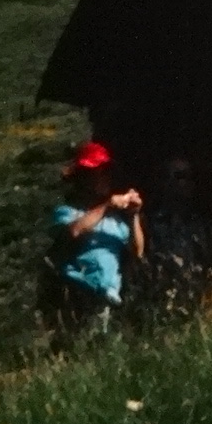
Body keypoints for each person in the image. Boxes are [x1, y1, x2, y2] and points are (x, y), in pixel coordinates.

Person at [47, 140, 144, 337]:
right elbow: (74, 231)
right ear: (83, 178)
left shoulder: (116, 220)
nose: (104, 179)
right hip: (79, 296)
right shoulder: (67, 212)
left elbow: (137, 251)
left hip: (109, 299)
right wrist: (107, 205)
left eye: (106, 173)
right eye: (98, 174)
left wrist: (134, 215)